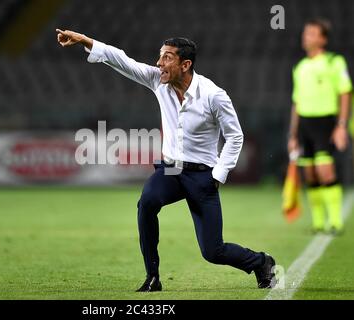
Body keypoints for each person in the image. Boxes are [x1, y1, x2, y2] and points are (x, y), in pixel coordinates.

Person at [56, 28, 276, 291]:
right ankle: (152, 277)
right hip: (171, 171)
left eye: (167, 58)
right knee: (147, 202)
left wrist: (218, 176)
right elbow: (123, 60)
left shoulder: (213, 95)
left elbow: (235, 137)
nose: (159, 63)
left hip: (202, 176)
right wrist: (86, 41)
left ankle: (261, 262)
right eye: (160, 57)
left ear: (186, 64)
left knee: (213, 251)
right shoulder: (158, 81)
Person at [288, 18, 352, 235]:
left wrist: (342, 125)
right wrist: (293, 134)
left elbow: (345, 92)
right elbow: (296, 102)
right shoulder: (300, 66)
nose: (306, 37)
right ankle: (318, 222)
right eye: (305, 33)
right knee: (310, 173)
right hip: (305, 124)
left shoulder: (335, 61)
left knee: (325, 170)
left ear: (323, 39)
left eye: (312, 33)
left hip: (325, 122)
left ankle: (334, 221)